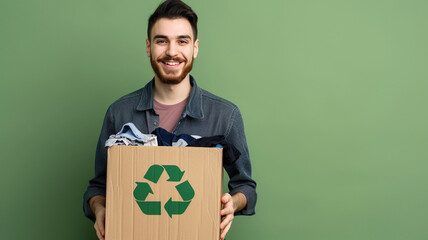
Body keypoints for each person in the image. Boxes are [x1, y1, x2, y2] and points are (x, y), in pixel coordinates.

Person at [83, 0, 257, 239]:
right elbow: (98, 187)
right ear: (148, 47)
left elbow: (245, 186)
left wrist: (233, 204)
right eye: (161, 41)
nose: (172, 51)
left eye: (182, 41)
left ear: (195, 48)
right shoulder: (119, 112)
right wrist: (100, 208)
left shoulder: (225, 116)